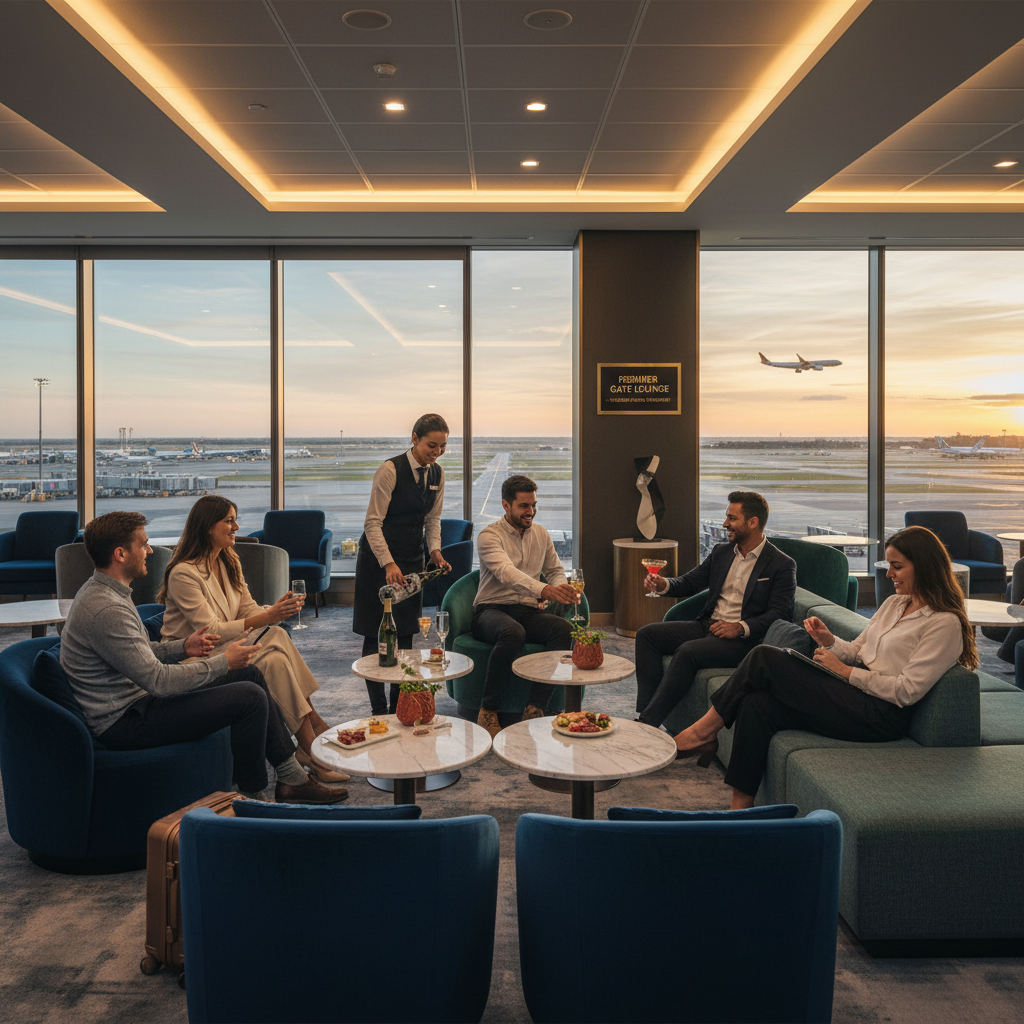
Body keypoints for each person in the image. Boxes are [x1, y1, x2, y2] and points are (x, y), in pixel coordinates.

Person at [672, 525, 978, 809]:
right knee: (756, 704)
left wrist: (844, 672)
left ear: (924, 567)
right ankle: (740, 810)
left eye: (897, 567)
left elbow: (906, 692)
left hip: (882, 716)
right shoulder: (895, 604)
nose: (889, 575)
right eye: (890, 566)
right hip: (854, 696)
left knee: (765, 657)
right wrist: (829, 641)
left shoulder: (944, 624)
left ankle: (702, 732)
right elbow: (858, 651)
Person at [59, 511, 347, 804]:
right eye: (143, 544)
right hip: (126, 720)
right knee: (249, 696)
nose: (149, 550)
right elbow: (157, 680)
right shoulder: (107, 608)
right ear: (120, 554)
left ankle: (292, 781)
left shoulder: (111, 593)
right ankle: (252, 794)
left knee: (251, 675)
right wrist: (223, 662)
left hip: (138, 702)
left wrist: (184, 647)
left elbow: (143, 651)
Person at [158, 494, 348, 784]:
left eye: (235, 520)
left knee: (275, 638)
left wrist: (274, 611)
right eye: (229, 521)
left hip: (226, 646)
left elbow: (247, 610)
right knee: (272, 654)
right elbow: (211, 629)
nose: (236, 527)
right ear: (209, 526)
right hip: (197, 656)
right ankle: (311, 738)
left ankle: (309, 737)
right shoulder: (184, 574)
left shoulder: (227, 561)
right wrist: (267, 617)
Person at [635, 491, 796, 729]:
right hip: (707, 625)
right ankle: (646, 711)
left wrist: (740, 628)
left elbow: (780, 613)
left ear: (753, 523)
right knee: (647, 635)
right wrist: (664, 584)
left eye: (732, 518)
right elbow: (690, 582)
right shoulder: (721, 552)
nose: (725, 524)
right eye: (726, 517)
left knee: (688, 651)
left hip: (743, 641)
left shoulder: (782, 564)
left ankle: (647, 725)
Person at [352, 413, 451, 715]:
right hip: (378, 561)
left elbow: (432, 520)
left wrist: (434, 550)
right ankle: (378, 708)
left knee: (405, 637)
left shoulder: (437, 474)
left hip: (411, 562)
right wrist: (388, 563)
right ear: (414, 438)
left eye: (443, 446)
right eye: (431, 445)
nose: (436, 452)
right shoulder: (390, 470)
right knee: (376, 634)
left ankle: (398, 706)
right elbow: (372, 523)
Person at [472, 475, 580, 738]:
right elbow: (507, 573)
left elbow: (554, 570)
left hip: (528, 610)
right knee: (513, 632)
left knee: (564, 630)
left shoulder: (541, 534)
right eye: (523, 506)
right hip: (491, 610)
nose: (530, 511)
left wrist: (560, 587)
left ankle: (535, 707)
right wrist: (544, 589)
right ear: (506, 505)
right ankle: (488, 710)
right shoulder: (489, 535)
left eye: (533, 505)